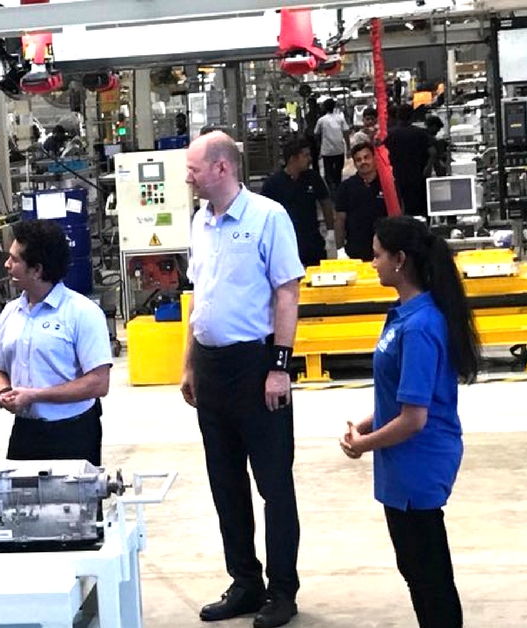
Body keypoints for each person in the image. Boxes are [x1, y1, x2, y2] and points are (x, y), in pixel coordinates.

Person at [181, 131, 304, 628]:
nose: (187, 176)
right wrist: (190, 363)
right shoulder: (200, 222)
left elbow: (287, 296)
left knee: (274, 485)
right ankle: (246, 582)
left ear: (222, 168)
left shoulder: (268, 218)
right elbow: (201, 296)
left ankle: (283, 590)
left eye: (193, 168)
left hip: (256, 368)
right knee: (225, 484)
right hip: (211, 371)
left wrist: (279, 367)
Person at [339, 217, 481, 628]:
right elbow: (404, 395)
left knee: (428, 573)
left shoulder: (419, 326)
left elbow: (415, 418)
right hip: (400, 461)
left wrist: (363, 445)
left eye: (378, 254)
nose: (372, 262)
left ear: (400, 260)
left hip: (417, 461)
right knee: (417, 570)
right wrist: (368, 424)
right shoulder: (403, 315)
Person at [0, 219, 113, 466]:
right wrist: (3, 392)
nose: (7, 265)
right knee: (19, 503)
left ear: (36, 270)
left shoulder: (82, 313)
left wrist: (35, 396)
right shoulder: (11, 312)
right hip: (25, 430)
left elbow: (99, 383)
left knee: (75, 504)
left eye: (14, 260)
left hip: (72, 433)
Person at [261, 137, 336, 268]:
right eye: (305, 155)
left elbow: (325, 202)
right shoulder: (273, 184)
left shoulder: (313, 178)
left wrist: (330, 232)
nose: (309, 159)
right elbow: (262, 213)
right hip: (285, 243)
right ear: (292, 158)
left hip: (312, 241)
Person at [333, 142, 389, 262]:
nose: (363, 162)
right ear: (354, 163)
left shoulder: (387, 184)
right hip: (355, 251)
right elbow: (340, 219)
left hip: (385, 249)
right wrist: (340, 250)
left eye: (366, 157)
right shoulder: (346, 187)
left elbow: (397, 213)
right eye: (358, 159)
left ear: (374, 158)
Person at [384, 104, 436, 217]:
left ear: (397, 116)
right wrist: (428, 167)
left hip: (396, 175)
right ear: (412, 117)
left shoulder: (389, 134)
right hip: (417, 175)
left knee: (399, 205)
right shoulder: (421, 133)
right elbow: (433, 152)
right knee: (418, 208)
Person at [314, 98, 348, 192]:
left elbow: (316, 134)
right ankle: (337, 188)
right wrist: (348, 148)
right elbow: (346, 132)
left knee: (328, 173)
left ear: (324, 107)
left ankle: (332, 190)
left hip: (327, 151)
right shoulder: (340, 118)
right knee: (338, 171)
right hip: (339, 149)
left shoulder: (321, 120)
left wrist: (319, 147)